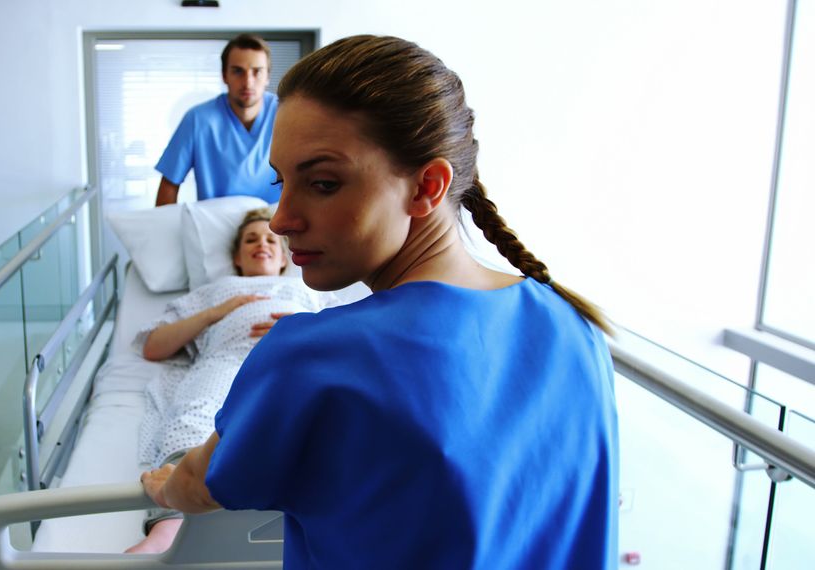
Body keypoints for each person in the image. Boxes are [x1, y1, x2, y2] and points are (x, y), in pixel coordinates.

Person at [140, 35, 619, 569]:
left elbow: (202, 484)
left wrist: (165, 490)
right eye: (281, 182)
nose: (280, 219)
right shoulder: (576, 330)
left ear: (426, 187)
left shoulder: (314, 356)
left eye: (322, 183)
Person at [127, 208, 335, 554]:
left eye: (271, 239)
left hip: (293, 362)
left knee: (313, 423)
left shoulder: (308, 289)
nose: (261, 244)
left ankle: (308, 527)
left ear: (286, 255)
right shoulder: (218, 289)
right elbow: (153, 347)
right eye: (250, 239)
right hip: (225, 362)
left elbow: (347, 341)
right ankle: (167, 531)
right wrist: (216, 312)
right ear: (236, 257)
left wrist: (303, 331)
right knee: (192, 419)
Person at [154, 34, 281, 206]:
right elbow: (169, 184)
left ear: (267, 77)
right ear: (224, 76)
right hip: (215, 228)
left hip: (273, 228)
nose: (248, 82)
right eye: (238, 71)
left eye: (257, 71)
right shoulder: (198, 120)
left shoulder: (285, 115)